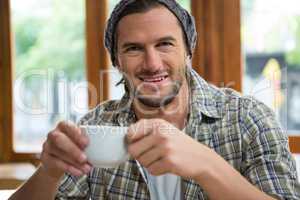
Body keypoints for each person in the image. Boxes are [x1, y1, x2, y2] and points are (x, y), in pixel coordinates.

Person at [10, 0, 300, 199]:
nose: (152, 63)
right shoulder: (95, 128)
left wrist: (206, 165)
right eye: (134, 49)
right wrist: (48, 173)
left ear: (189, 50)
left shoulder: (250, 119)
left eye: (164, 44)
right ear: (117, 61)